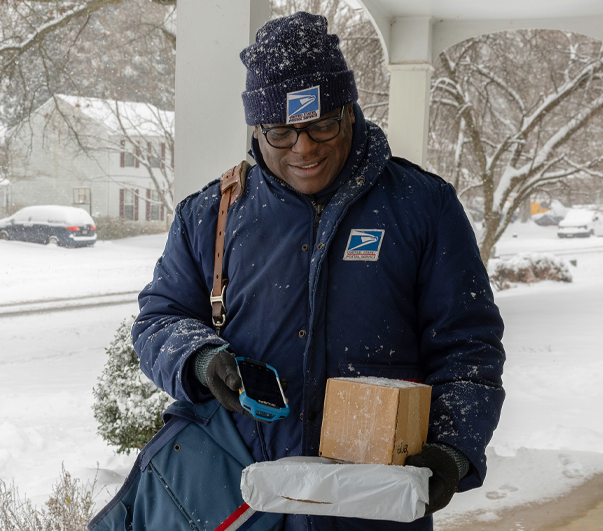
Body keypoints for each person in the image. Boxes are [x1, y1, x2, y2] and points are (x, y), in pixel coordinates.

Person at [131, 11, 506, 531]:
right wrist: (200, 359)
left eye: (321, 124)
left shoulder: (423, 207)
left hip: (374, 505)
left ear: (349, 112)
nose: (303, 148)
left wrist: (452, 449)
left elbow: (467, 346)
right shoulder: (210, 215)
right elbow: (159, 319)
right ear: (256, 130)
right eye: (281, 132)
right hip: (247, 500)